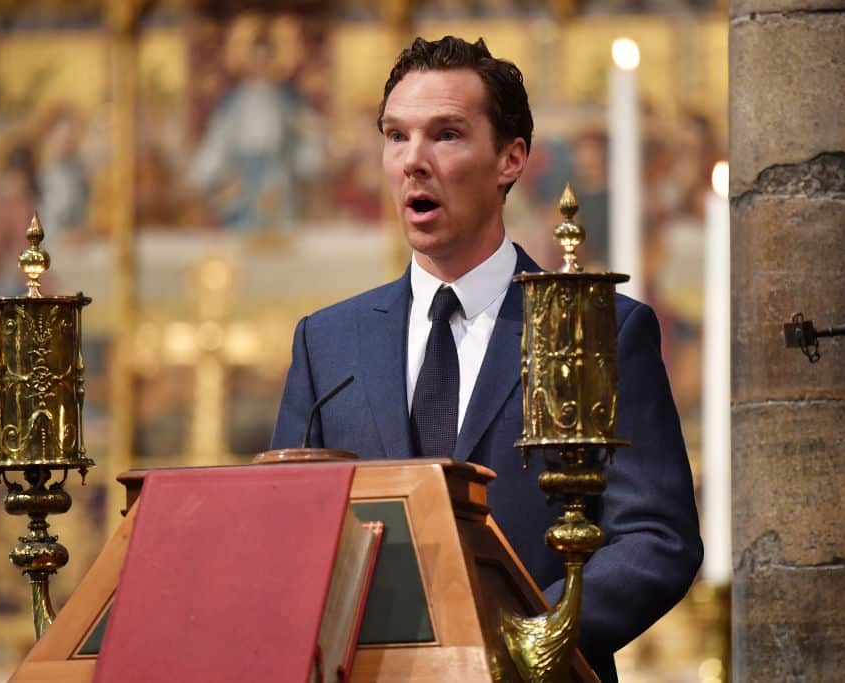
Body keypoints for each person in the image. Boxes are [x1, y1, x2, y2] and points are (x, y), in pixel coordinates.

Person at [271, 36, 702, 682]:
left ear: (510, 158)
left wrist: (520, 638)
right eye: (396, 136)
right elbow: (287, 540)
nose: (413, 160)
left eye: (445, 135)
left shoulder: (602, 329)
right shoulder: (326, 344)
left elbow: (657, 538)